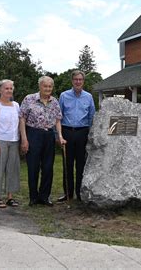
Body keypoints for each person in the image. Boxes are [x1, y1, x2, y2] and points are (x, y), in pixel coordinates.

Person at [19, 76, 66, 207]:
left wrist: (60, 136)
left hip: (49, 135)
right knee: (33, 167)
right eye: (45, 86)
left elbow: (57, 120)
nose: (48, 89)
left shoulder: (54, 101)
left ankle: (44, 197)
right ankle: (33, 197)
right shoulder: (29, 99)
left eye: (50, 86)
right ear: (40, 86)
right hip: (33, 133)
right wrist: (24, 138)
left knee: (48, 168)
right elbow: (22, 119)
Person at [58, 70, 95, 202]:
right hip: (67, 132)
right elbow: (58, 116)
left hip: (82, 133)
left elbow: (91, 116)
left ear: (83, 81)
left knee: (81, 164)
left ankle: (80, 192)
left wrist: (90, 134)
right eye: (76, 79)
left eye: (80, 79)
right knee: (67, 164)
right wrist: (59, 135)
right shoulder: (64, 96)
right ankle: (68, 193)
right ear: (72, 81)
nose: (78, 82)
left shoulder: (89, 97)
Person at [0, 79, 21, 208]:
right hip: (0, 139)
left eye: (11, 88)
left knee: (12, 169)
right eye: (6, 88)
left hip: (14, 140)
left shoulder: (16, 105)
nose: (9, 90)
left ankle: (10, 197)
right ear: (0, 90)